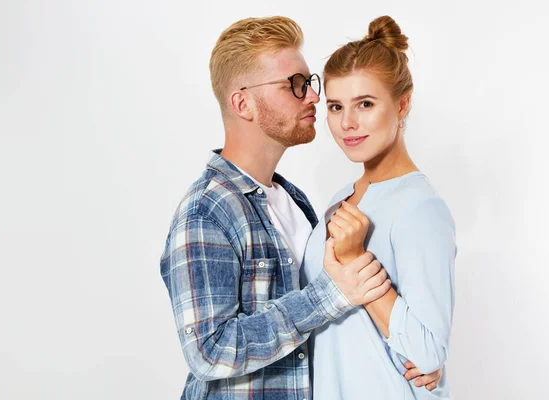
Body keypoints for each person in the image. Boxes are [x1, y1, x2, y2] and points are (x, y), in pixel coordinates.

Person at [160, 16, 442, 399]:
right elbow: (210, 352)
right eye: (294, 84)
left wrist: (417, 355)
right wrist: (329, 296)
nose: (313, 96)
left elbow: (321, 332)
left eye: (310, 83)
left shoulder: (296, 201)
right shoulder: (207, 211)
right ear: (243, 103)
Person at [302, 16, 457, 399]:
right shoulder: (342, 198)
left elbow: (426, 353)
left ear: (402, 104)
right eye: (336, 107)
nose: (347, 123)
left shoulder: (420, 208)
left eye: (365, 104)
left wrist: (355, 259)